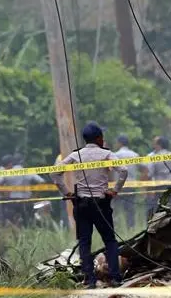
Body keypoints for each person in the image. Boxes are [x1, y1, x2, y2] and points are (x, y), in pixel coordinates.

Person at [51, 122, 128, 289]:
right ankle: (115, 278)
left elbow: (55, 173)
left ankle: (90, 281)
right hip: (101, 203)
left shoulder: (76, 155)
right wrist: (114, 190)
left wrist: (67, 193)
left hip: (81, 204)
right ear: (99, 138)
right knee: (110, 240)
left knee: (84, 242)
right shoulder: (106, 154)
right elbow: (123, 171)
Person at [0, 154, 47, 226]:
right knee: (28, 222)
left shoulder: (8, 172)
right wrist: (35, 195)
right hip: (27, 201)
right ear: (22, 162)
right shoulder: (28, 171)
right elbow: (42, 182)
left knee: (11, 223)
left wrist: (3, 193)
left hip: (12, 201)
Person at [145, 136, 171, 211]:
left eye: (155, 144)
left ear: (159, 145)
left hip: (160, 189)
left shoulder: (154, 158)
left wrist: (148, 190)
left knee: (160, 212)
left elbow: (149, 174)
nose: (153, 145)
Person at [112, 135, 142, 229]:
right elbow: (144, 169)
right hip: (131, 186)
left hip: (118, 187)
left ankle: (117, 228)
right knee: (130, 209)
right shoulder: (134, 154)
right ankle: (131, 227)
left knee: (115, 209)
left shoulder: (115, 155)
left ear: (120, 143)